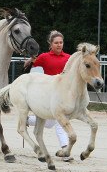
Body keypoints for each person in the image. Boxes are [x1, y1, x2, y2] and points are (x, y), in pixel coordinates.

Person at [23, 30, 73, 162]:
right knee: (59, 122)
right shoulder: (44, 57)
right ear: (50, 44)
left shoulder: (68, 58)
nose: (59, 45)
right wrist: (29, 61)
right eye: (56, 43)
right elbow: (31, 66)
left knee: (50, 123)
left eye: (61, 42)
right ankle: (64, 149)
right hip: (49, 94)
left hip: (63, 94)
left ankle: (28, 121)